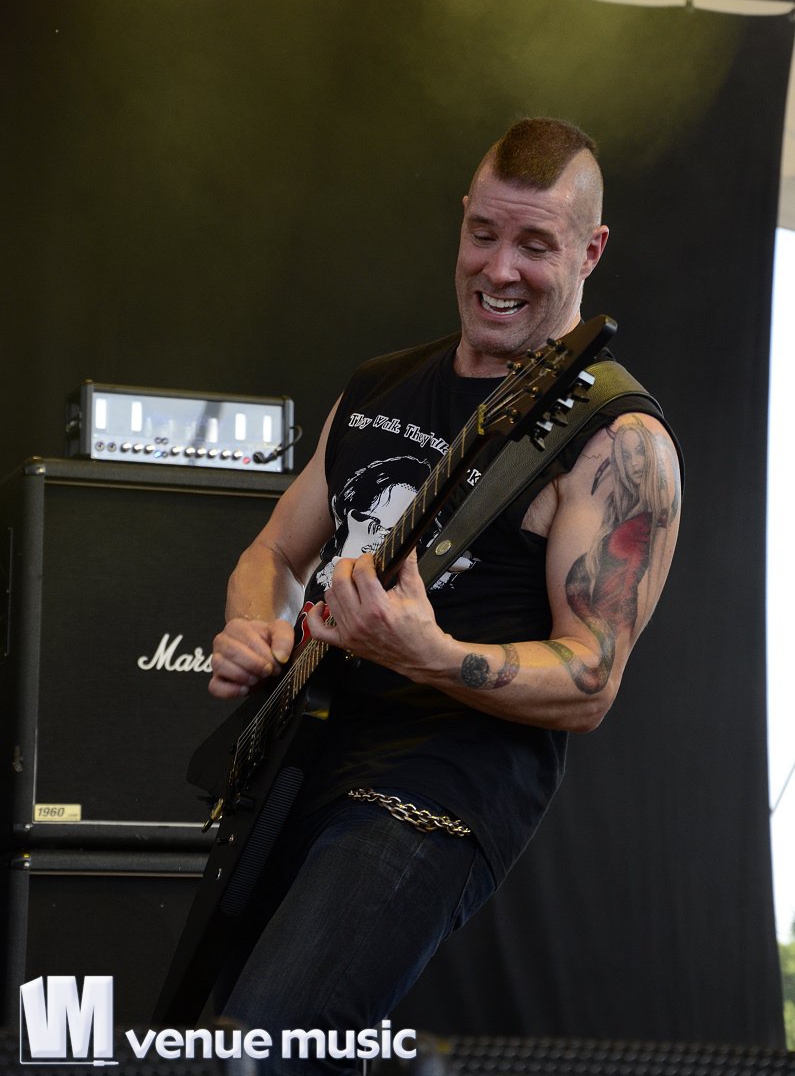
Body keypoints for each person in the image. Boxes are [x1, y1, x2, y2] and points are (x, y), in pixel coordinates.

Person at [208, 117, 682, 1072]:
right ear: (462, 219)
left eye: (534, 244)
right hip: (296, 759)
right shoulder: (380, 384)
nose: (499, 269)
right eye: (483, 233)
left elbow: (590, 677)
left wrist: (428, 655)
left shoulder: (617, 441)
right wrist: (253, 625)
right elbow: (275, 550)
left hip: (432, 791)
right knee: (210, 1038)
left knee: (263, 1051)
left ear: (589, 251)